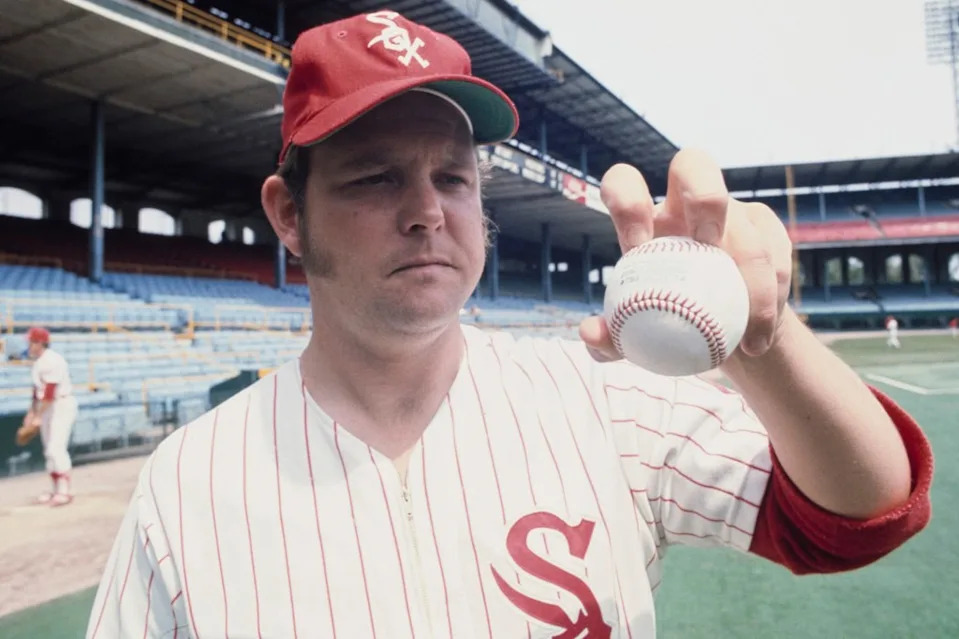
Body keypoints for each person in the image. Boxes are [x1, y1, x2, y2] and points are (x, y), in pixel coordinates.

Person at [86, 10, 933, 638]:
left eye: (452, 179)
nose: (426, 212)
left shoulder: (603, 403)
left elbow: (858, 515)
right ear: (288, 214)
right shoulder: (187, 482)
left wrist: (764, 339)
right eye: (374, 179)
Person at [24, 326, 77, 506]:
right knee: (49, 449)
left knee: (56, 448)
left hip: (61, 404)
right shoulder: (39, 361)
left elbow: (49, 392)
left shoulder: (52, 360)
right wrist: (31, 413)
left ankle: (64, 491)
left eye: (32, 341)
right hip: (48, 406)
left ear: (41, 343)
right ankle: (55, 489)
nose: (29, 345)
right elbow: (36, 391)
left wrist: (38, 415)